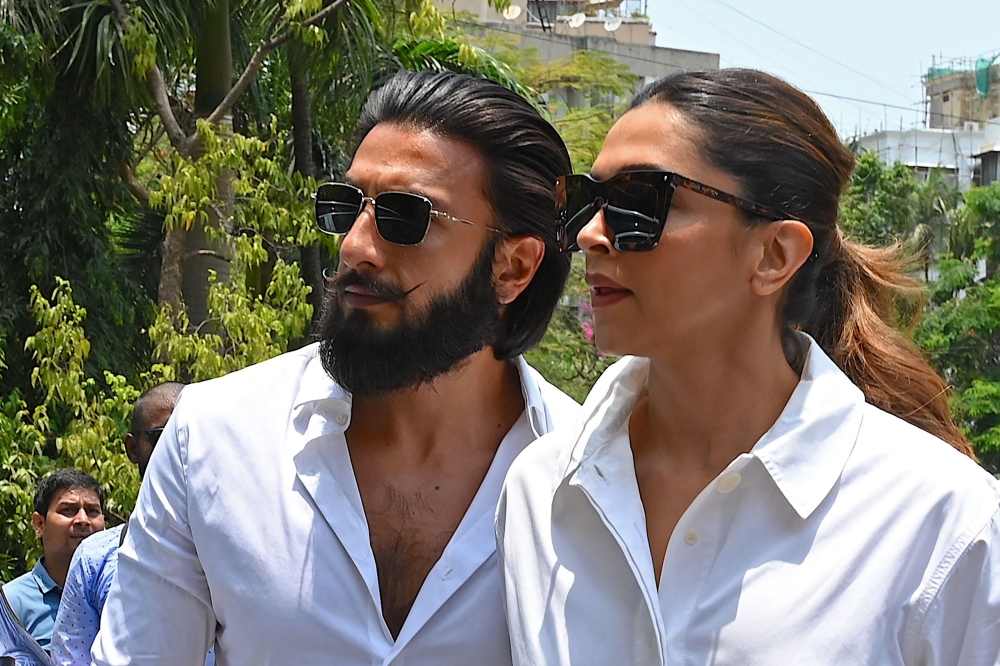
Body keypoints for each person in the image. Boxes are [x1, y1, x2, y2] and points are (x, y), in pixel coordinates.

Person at [496, 68, 1000, 666]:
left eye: (639, 202)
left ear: (774, 254)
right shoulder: (541, 492)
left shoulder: (945, 526)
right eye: (588, 202)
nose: (591, 236)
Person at [93, 70, 579, 666]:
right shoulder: (213, 438)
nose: (354, 246)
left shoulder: (589, 478)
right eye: (346, 206)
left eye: (407, 217)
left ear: (512, 267)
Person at [47, 383, 185, 666]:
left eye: (191, 436)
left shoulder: (236, 547)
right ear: (133, 448)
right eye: (163, 436)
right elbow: (71, 660)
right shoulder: (95, 559)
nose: (180, 447)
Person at [3, 471, 105, 651]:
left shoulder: (122, 591)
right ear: (39, 524)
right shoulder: (10, 604)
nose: (82, 520)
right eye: (68, 510)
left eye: (92, 511)